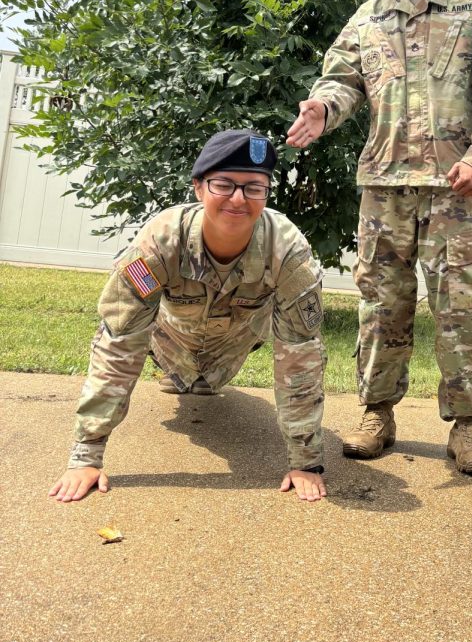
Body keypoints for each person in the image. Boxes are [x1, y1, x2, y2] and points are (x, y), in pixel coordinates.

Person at [286, 0, 472, 475]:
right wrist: (322, 109)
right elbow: (339, 82)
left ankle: (468, 426)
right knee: (380, 308)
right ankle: (377, 412)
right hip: (385, 189)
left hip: (454, 189)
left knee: (459, 308)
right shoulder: (367, 19)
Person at [49, 129, 328, 504]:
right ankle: (179, 375)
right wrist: (86, 455)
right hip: (168, 341)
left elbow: (300, 352)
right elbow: (119, 340)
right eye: (224, 184)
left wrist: (305, 462)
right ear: (198, 188)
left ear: (266, 193)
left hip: (236, 345)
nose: (238, 198)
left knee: (207, 386)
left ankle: (201, 378)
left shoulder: (288, 250)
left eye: (254, 188)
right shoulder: (160, 242)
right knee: (178, 377)